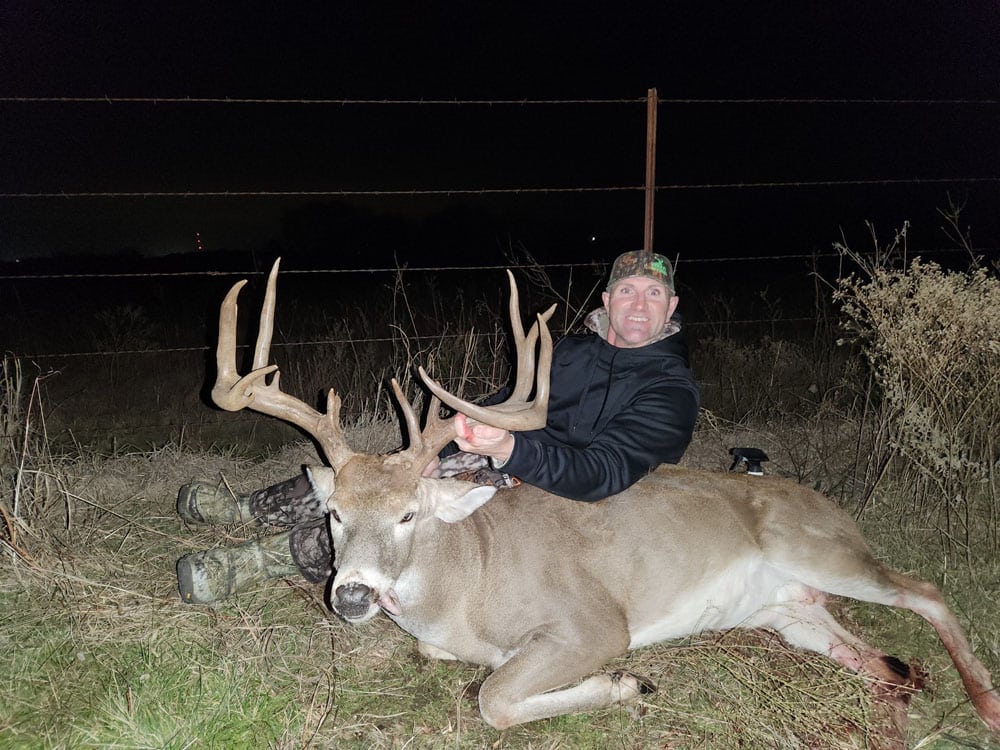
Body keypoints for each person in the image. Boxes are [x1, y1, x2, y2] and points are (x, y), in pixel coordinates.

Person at [176, 250, 700, 604]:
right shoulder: (574, 351)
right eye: (627, 291)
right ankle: (245, 508)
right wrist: (449, 435)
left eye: (653, 295)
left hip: (568, 497)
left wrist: (510, 450)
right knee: (382, 476)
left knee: (403, 512)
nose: (638, 305)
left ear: (671, 307)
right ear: (607, 301)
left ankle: (250, 564)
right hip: (516, 456)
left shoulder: (670, 390)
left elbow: (601, 473)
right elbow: (505, 403)